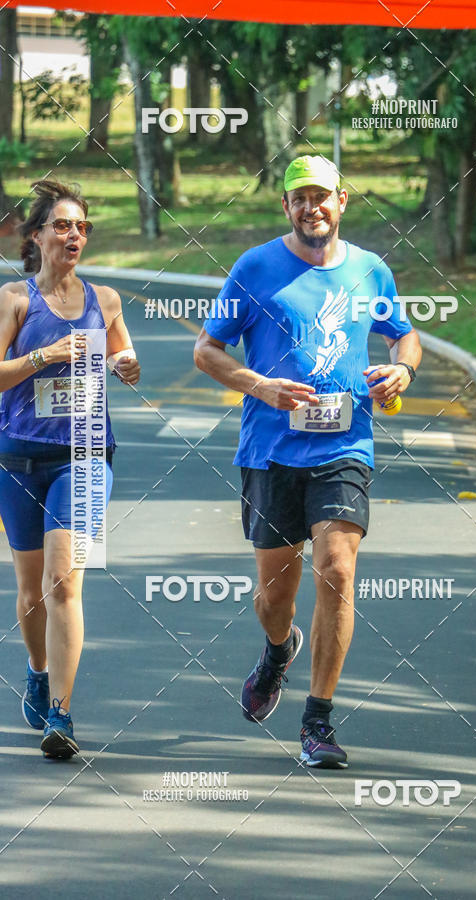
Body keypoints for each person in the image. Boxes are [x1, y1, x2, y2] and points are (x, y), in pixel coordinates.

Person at [194, 155, 421, 768]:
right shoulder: (256, 268)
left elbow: (404, 334)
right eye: (299, 199)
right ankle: (276, 649)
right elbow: (206, 351)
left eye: (321, 196)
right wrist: (259, 385)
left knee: (338, 570)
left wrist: (402, 366)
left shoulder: (371, 272)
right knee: (275, 596)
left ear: (342, 200)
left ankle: (317, 721)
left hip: (344, 447)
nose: (311, 207)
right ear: (286, 207)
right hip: (270, 451)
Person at [0, 180, 140, 759]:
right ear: (37, 236)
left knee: (64, 582)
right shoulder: (14, 299)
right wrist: (43, 356)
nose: (74, 235)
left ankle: (61, 713)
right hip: (18, 457)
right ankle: (37, 670)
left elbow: (121, 355)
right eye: (62, 225)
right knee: (31, 588)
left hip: (84, 454)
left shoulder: (104, 300)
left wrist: (127, 363)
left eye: (82, 226)